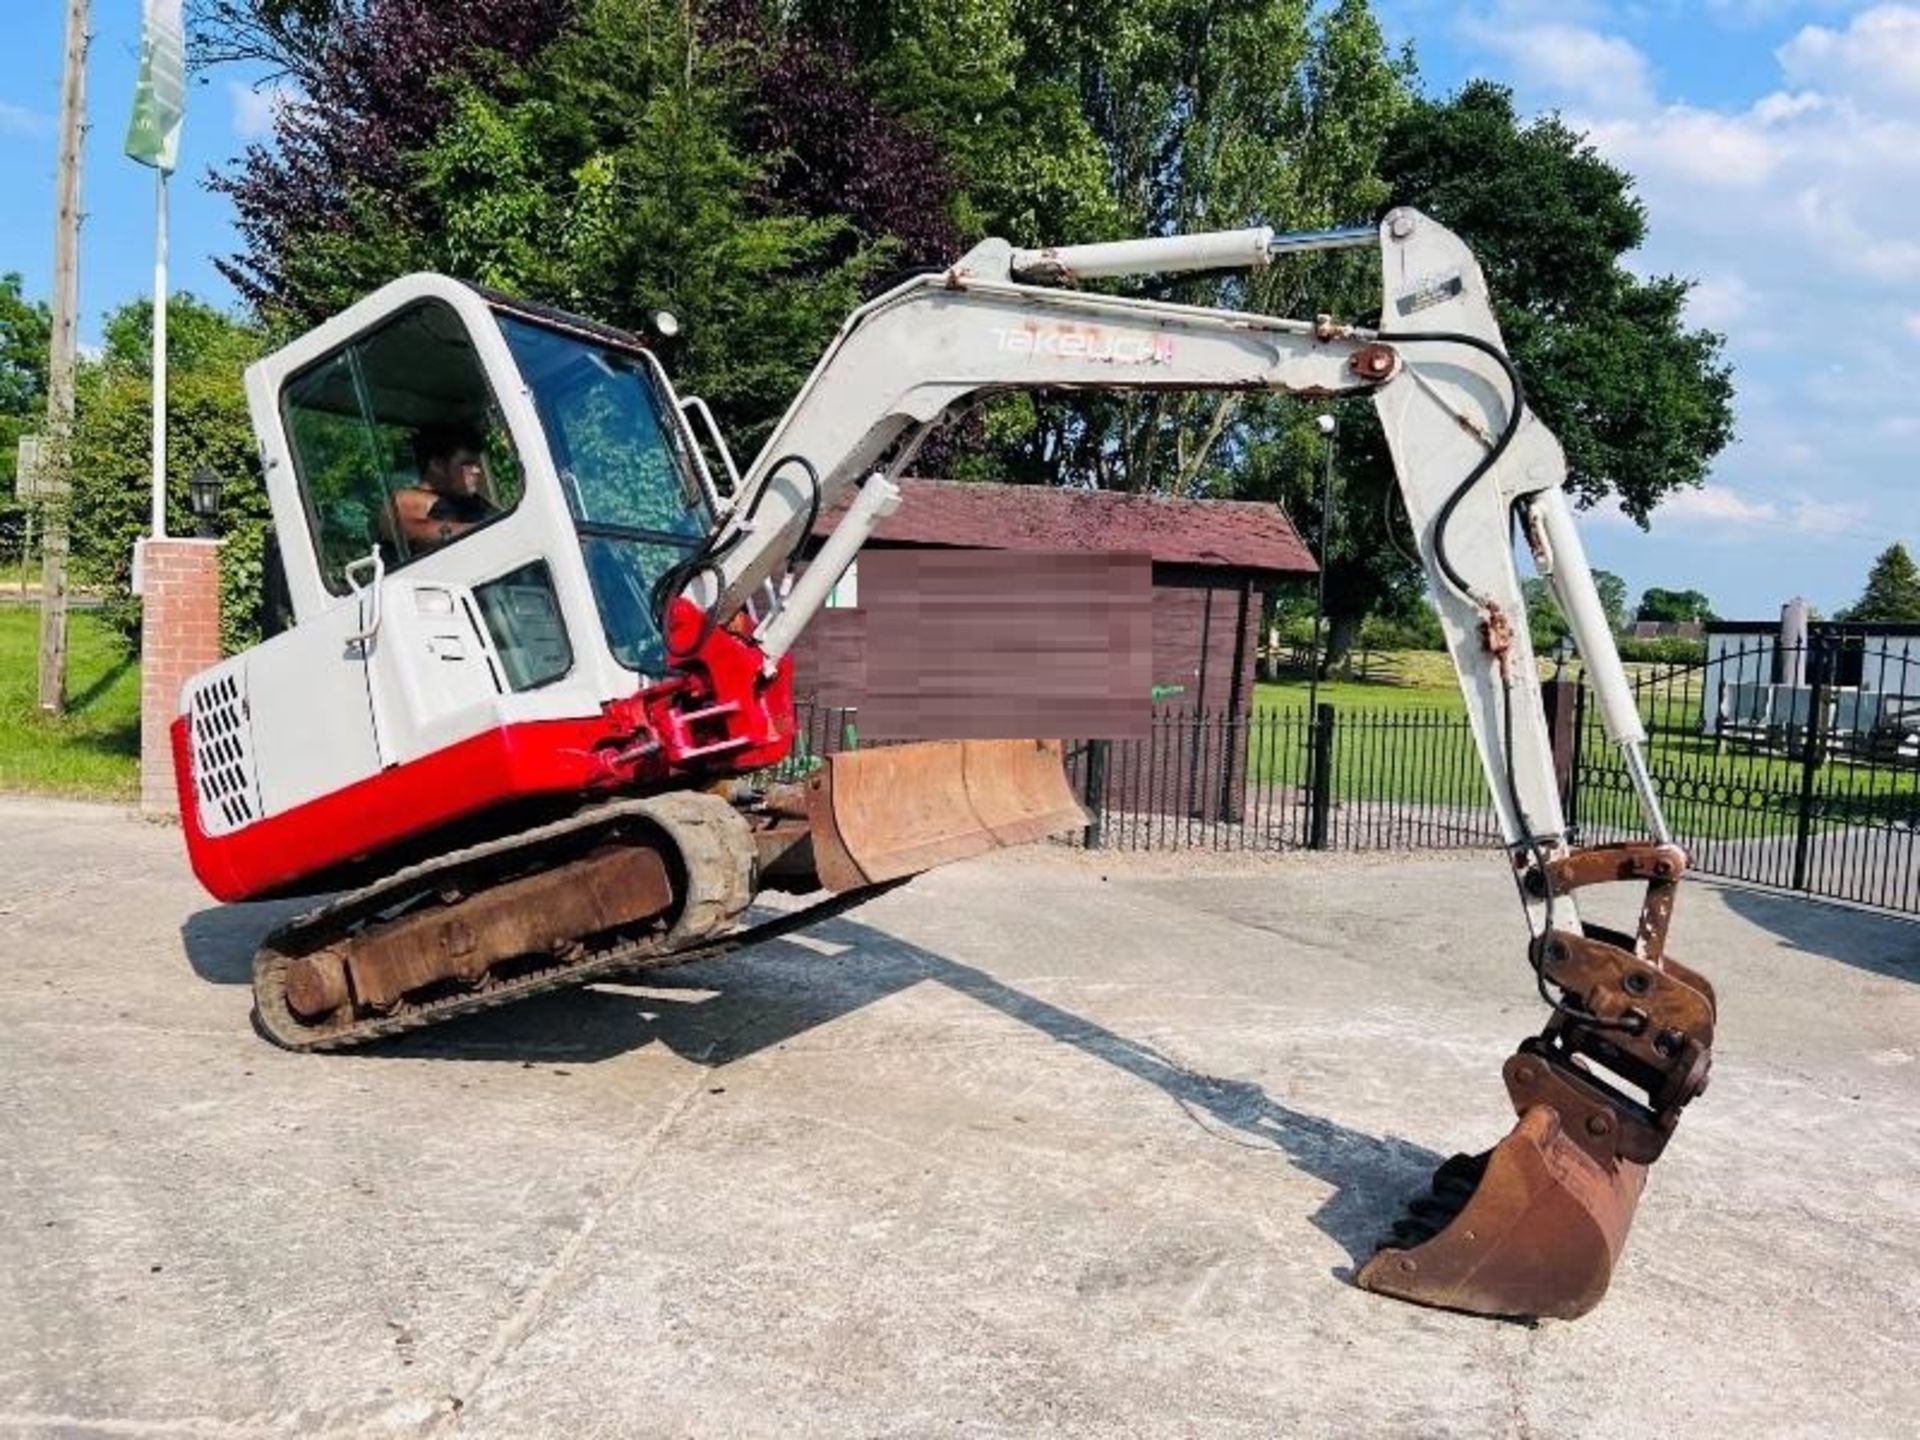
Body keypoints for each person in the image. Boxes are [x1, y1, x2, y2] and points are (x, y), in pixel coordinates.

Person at [393, 422, 497, 553]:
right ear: (437, 465)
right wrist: (494, 529)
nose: (477, 470)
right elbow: (410, 531)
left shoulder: (473, 500)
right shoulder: (406, 499)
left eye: (476, 463)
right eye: (467, 464)